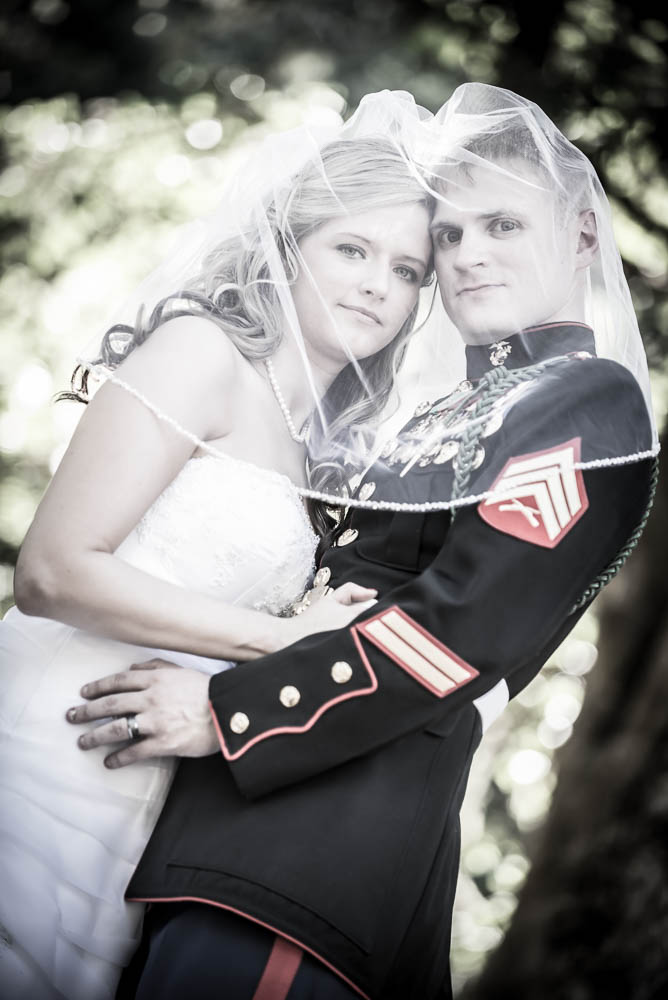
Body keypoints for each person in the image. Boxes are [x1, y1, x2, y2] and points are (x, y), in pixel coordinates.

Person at [70, 85, 657, 1000]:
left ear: (584, 236)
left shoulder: (586, 401)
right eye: (451, 237)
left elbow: (453, 633)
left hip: (319, 843)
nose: (466, 257)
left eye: (502, 226)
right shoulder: (443, 407)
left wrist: (232, 713)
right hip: (226, 825)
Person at [0, 96, 437, 1000]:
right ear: (288, 244)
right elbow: (51, 572)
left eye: (405, 269)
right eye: (351, 250)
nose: (375, 285)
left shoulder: (321, 447)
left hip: (141, 784)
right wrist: (290, 643)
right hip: (41, 741)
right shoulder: (200, 351)